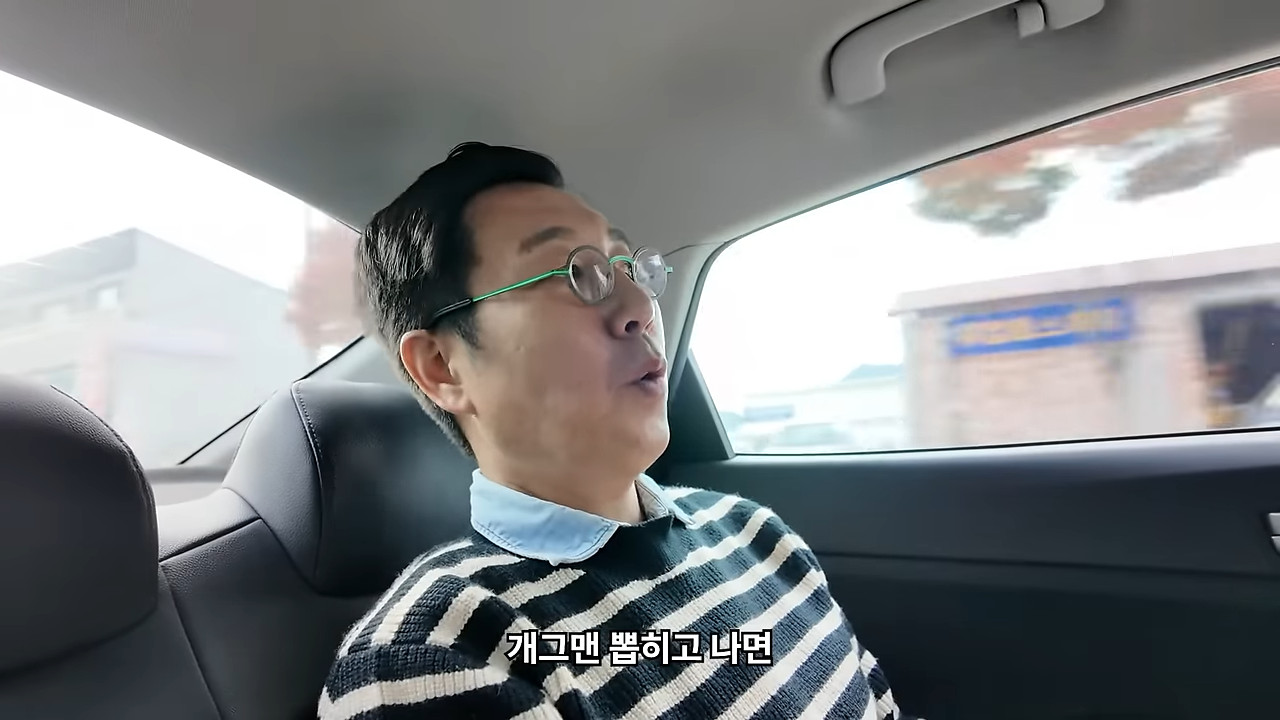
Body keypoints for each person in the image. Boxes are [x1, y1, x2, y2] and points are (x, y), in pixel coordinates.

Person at [318, 142, 904, 719]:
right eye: (574, 274)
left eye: (627, 266)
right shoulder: (438, 654)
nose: (640, 306)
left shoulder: (755, 533)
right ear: (443, 367)